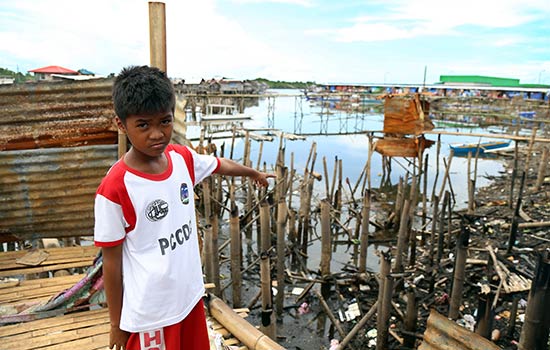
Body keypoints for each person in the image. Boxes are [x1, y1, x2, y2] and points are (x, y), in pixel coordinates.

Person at [94, 65, 275, 350]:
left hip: (189, 297)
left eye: (164, 122)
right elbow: (112, 263)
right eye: (143, 125)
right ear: (121, 124)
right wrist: (116, 325)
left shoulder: (181, 159)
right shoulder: (115, 188)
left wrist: (251, 173)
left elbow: (217, 164)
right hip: (150, 314)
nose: (157, 134)